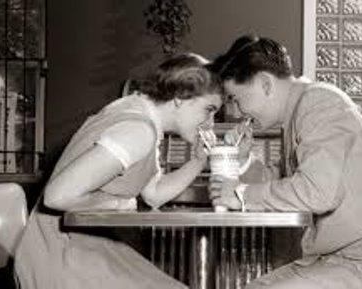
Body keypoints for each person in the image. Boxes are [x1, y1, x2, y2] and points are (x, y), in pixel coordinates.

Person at [208, 35, 362, 289]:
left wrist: (241, 195)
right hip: (343, 262)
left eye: (237, 98)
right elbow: (285, 182)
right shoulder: (301, 110)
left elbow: (317, 192)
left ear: (265, 84)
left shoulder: (318, 103)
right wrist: (243, 162)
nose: (237, 112)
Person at [14, 53, 222, 289]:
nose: (211, 123)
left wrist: (197, 162)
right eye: (209, 109)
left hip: (79, 246)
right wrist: (117, 205)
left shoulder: (141, 115)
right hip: (61, 255)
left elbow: (153, 194)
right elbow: (56, 197)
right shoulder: (138, 130)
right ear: (180, 97)